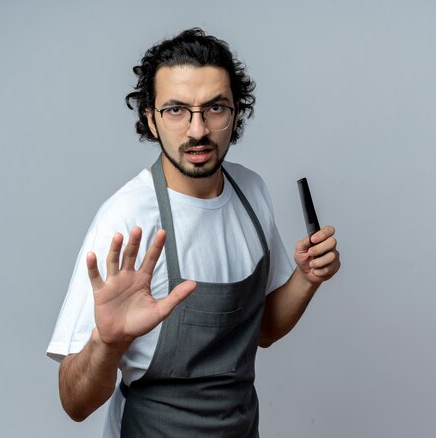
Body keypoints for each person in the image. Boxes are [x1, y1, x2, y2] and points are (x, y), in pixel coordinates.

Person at [47, 28, 340, 437]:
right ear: (150, 118)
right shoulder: (126, 219)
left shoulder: (251, 192)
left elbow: (262, 330)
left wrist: (307, 278)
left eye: (215, 108)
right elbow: (74, 403)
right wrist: (107, 344)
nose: (197, 130)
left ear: (237, 112)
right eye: (176, 110)